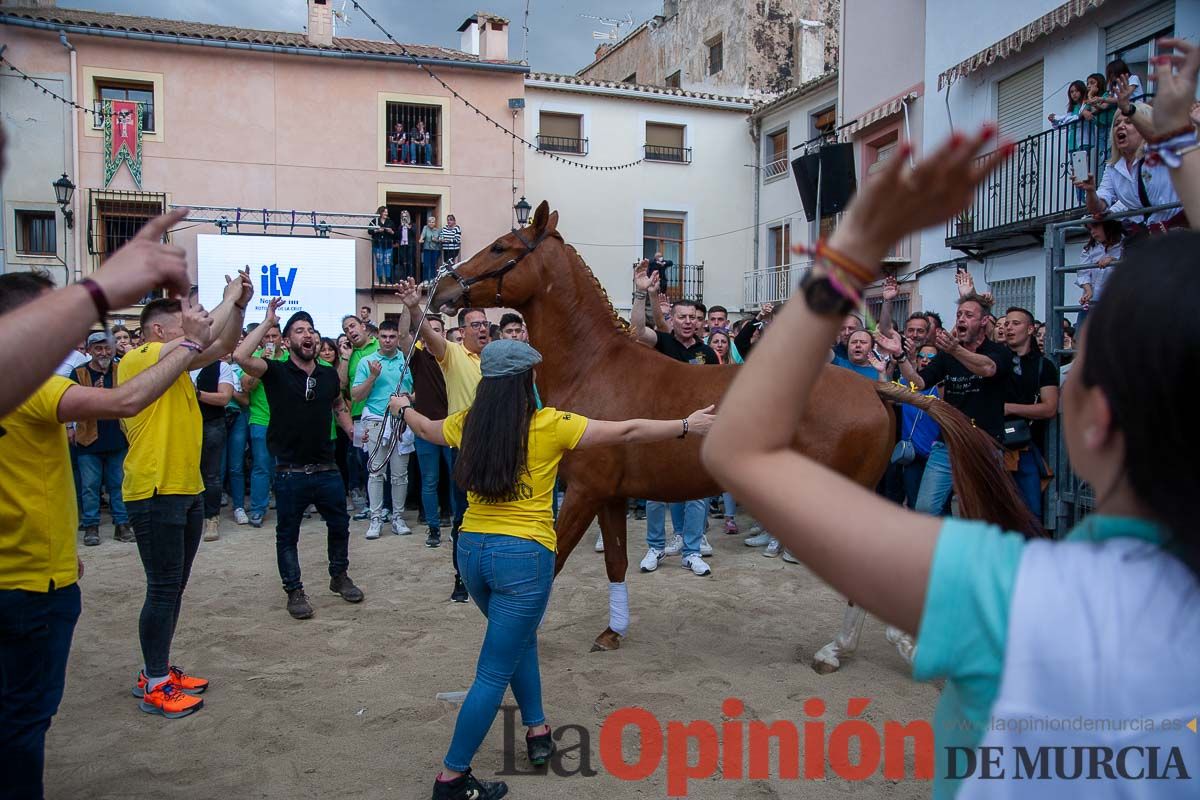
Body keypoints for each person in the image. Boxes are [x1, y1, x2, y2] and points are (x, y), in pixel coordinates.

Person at [705, 124, 1200, 798]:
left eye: (1076, 362)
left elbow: (738, 447)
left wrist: (849, 252)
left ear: (1096, 419)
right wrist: (1174, 140)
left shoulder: (1014, 598)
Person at [387, 339, 717, 800]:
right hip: (522, 558)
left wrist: (401, 407)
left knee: (518, 642)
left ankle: (537, 730)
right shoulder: (550, 424)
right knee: (492, 672)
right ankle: (452, 777)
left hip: (472, 552)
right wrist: (686, 424)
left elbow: (425, 427)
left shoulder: (468, 423)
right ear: (527, 381)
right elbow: (626, 431)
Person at [0, 272, 221, 795]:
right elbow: (123, 402)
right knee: (23, 725)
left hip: (42, 567)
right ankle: (154, 677)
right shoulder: (33, 380)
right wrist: (191, 337)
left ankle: (160, 669)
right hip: (32, 583)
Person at [119, 270, 252, 719]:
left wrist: (238, 308)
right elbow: (205, 337)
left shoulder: (178, 361)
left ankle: (155, 669)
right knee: (161, 588)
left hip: (185, 486)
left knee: (173, 587)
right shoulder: (140, 357)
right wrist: (228, 294)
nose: (192, 325)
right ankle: (155, 682)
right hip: (155, 488)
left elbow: (222, 345)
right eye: (183, 320)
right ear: (159, 330)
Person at [235, 302, 359, 620]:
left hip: (327, 468)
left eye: (310, 330)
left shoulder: (328, 375)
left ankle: (338, 576)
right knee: (288, 535)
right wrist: (267, 323)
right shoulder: (274, 370)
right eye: (299, 330)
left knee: (340, 525)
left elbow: (338, 405)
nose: (307, 335)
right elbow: (240, 357)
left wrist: (352, 430)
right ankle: (294, 590)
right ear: (287, 341)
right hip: (290, 471)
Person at [397, 278, 489, 602]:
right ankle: (461, 579)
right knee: (463, 518)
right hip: (464, 449)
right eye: (474, 324)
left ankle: (490, 575)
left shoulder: (497, 360)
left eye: (484, 324)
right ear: (461, 331)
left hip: (497, 451)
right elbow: (428, 337)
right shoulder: (452, 354)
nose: (481, 329)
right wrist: (413, 306)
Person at [628, 262, 719, 576]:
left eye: (693, 317)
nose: (688, 321)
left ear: (700, 321)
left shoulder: (708, 353)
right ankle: (655, 547)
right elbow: (637, 331)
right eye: (682, 316)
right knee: (656, 492)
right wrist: (641, 293)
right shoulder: (663, 343)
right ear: (672, 319)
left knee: (696, 492)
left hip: (698, 431)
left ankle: (691, 551)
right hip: (663, 427)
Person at [897, 285, 1011, 518]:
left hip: (985, 444)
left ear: (984, 321)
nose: (961, 319)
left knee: (982, 512)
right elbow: (918, 382)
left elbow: (988, 368)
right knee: (925, 508)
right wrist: (900, 357)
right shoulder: (947, 355)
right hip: (947, 444)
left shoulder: (998, 351)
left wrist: (956, 350)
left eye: (969, 315)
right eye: (959, 314)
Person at [69, 331, 135, 546]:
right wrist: (92, 395)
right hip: (88, 438)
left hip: (117, 436)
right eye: (98, 348)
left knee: (119, 483)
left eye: (107, 348)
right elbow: (71, 403)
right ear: (89, 351)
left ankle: (122, 524)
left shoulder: (122, 369)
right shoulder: (78, 374)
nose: (103, 352)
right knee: (90, 486)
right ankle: (91, 526)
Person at [351, 319, 415, 539]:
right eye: (384, 336)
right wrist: (372, 377)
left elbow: (417, 391)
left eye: (392, 336)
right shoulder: (366, 361)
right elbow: (356, 395)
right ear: (377, 337)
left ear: (398, 337)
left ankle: (397, 517)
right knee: (376, 472)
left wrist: (410, 398)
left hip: (402, 421)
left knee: (400, 475)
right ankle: (376, 518)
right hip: (376, 420)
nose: (388, 341)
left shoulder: (407, 361)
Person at [1002, 307, 1060, 520]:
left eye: (1015, 323)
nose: (1009, 328)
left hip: (1025, 448)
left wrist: (1008, 408)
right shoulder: (994, 360)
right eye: (1006, 323)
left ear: (1030, 329)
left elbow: (1050, 408)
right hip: (992, 446)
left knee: (1029, 517)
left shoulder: (1043, 366)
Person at [404, 312, 455, 548]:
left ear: (443, 334)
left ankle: (459, 527)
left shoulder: (454, 356)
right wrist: (409, 306)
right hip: (424, 430)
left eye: (436, 329)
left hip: (451, 428)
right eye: (427, 329)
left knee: (458, 481)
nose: (432, 333)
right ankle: (433, 529)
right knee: (430, 481)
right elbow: (404, 335)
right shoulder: (418, 357)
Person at [240, 319, 283, 528]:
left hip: (286, 422)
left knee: (286, 467)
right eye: (267, 336)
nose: (271, 340)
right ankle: (258, 509)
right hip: (261, 420)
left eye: (274, 336)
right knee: (261, 467)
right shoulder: (253, 359)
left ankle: (288, 507)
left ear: (281, 338)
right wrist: (262, 365)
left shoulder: (289, 360)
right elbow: (246, 386)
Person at [192, 356, 235, 542]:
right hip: (183, 424)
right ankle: (191, 517)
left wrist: (197, 393)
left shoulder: (221, 366)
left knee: (211, 475)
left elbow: (224, 397)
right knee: (187, 472)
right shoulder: (179, 364)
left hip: (211, 424)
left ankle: (211, 519)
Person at [342, 314, 380, 520]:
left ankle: (383, 507)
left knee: (380, 462)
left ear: (363, 326)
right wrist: (346, 357)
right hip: (357, 414)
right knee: (360, 460)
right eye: (346, 330)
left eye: (353, 326)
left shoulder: (379, 346)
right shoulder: (349, 354)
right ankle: (368, 505)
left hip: (379, 413)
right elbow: (340, 384)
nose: (350, 331)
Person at [1076, 218, 1123, 326]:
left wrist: (1113, 260)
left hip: (1114, 302)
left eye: (1096, 227)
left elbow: (1131, 265)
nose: (1092, 231)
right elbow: (1082, 272)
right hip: (1092, 301)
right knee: (1082, 335)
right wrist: (1088, 291)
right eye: (1090, 228)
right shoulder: (1089, 248)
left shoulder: (1124, 245)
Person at [370, 207, 397, 286]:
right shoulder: (375, 221)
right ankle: (381, 280)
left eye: (387, 212)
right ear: (380, 212)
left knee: (387, 262)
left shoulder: (390, 222)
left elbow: (395, 233)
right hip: (378, 245)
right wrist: (377, 230)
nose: (386, 213)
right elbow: (369, 231)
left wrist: (391, 231)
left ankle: (388, 280)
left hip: (388, 245)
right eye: (385, 212)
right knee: (379, 262)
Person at [421, 215, 442, 284]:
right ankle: (426, 279)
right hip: (427, 249)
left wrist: (436, 240)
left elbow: (441, 239)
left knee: (433, 265)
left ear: (435, 223)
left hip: (435, 249)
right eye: (430, 222)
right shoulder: (425, 228)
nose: (431, 223)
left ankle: (433, 279)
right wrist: (421, 239)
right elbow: (423, 235)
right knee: (426, 265)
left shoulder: (438, 230)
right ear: (428, 222)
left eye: (433, 222)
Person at [396, 210, 416, 282]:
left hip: (410, 246)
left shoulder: (412, 224)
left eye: (406, 216)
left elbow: (415, 233)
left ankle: (410, 279)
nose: (404, 218)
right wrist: (401, 227)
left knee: (410, 263)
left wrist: (409, 227)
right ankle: (404, 279)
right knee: (403, 262)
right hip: (402, 246)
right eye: (403, 216)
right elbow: (397, 236)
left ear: (408, 217)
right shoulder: (400, 226)